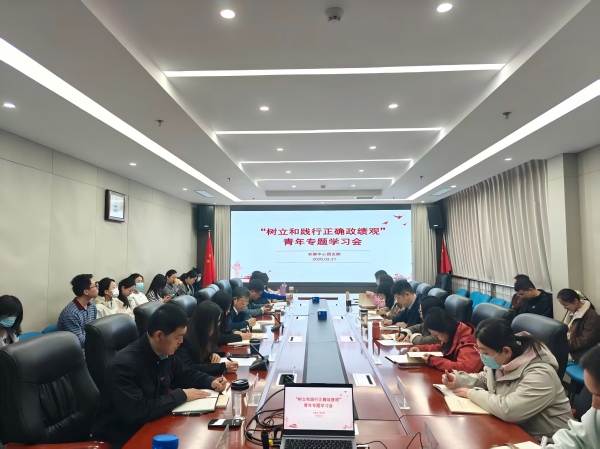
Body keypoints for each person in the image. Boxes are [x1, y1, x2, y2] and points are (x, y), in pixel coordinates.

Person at [92, 303, 227, 448]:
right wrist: (181, 395)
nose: (181, 342)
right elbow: (138, 412)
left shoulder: (164, 352)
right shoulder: (123, 366)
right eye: (178, 337)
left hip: (155, 423)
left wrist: (210, 381)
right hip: (126, 437)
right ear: (159, 336)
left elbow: (185, 373)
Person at [443, 318, 572, 441]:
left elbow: (509, 410)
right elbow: (486, 379)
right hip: (513, 430)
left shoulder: (541, 374)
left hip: (547, 442)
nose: (482, 356)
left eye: (485, 353)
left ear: (506, 351)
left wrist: (472, 393)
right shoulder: (501, 361)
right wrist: (458, 379)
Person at [547, 345, 600, 449]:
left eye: (599, 395)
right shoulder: (597, 413)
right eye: (591, 394)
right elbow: (577, 439)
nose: (593, 404)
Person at [408, 308, 482, 373]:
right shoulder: (454, 333)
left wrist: (433, 360)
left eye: (435, 335)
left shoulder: (468, 341)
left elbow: (464, 368)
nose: (436, 338)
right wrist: (420, 349)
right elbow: (441, 347)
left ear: (444, 328)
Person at [176, 301, 238, 376]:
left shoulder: (202, 332)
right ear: (206, 322)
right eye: (216, 322)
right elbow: (189, 367)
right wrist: (222, 367)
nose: (217, 326)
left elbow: (213, 346)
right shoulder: (185, 339)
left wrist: (213, 354)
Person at [558, 289, 600, 363]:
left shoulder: (591, 316)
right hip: (569, 348)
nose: (565, 308)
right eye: (563, 305)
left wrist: (563, 344)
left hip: (581, 354)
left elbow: (584, 341)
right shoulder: (571, 311)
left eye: (565, 305)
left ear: (575, 301)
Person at [57, 274, 98, 348]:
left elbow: (94, 330)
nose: (97, 288)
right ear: (86, 292)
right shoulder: (71, 313)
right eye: (95, 286)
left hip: (90, 347)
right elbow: (80, 342)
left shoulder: (92, 306)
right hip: (74, 351)